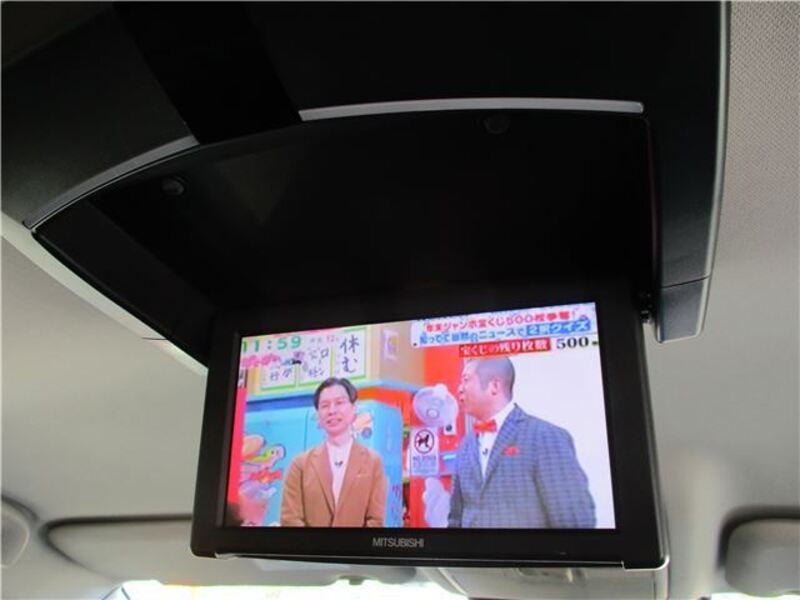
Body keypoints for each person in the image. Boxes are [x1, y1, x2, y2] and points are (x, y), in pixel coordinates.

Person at [448, 357, 596, 528]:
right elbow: (456, 517)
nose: (459, 388)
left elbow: (574, 520)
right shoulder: (466, 445)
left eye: (466, 380)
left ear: (494, 386)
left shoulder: (544, 437)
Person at [280, 377, 387, 527]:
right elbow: (290, 519)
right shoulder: (300, 465)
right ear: (318, 414)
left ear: (353, 408)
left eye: (339, 403)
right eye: (325, 405)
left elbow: (375, 520)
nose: (332, 411)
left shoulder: (373, 461)